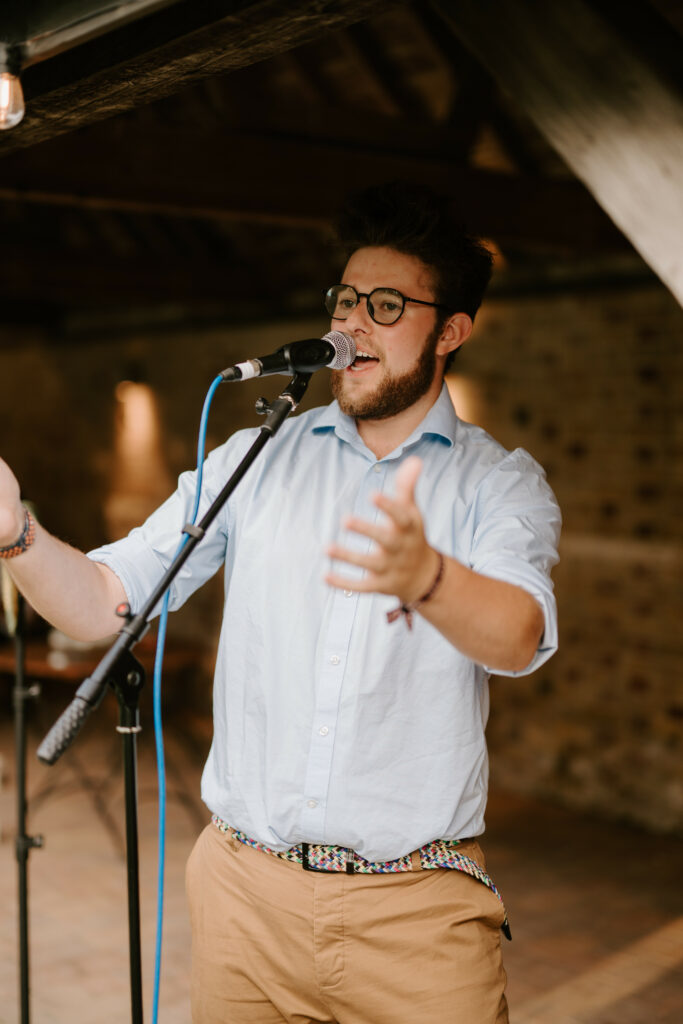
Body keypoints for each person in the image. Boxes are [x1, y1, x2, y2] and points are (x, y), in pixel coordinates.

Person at [0, 182, 561, 1023]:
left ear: (449, 331)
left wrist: (427, 578)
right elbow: (105, 602)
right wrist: (16, 535)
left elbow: (519, 635)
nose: (351, 323)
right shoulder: (255, 453)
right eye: (344, 298)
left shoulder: (498, 482)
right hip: (241, 897)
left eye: (385, 304)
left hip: (413, 914)